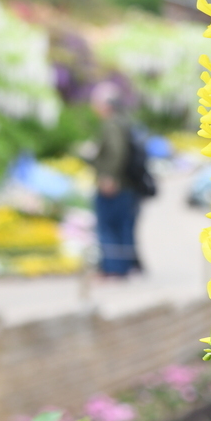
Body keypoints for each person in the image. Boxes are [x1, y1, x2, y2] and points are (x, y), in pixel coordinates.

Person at [91, 82, 140, 277]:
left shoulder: (112, 124)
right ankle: (124, 267)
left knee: (108, 227)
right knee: (123, 226)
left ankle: (113, 269)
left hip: (114, 184)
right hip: (126, 185)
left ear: (105, 105)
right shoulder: (124, 121)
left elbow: (116, 151)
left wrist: (109, 177)